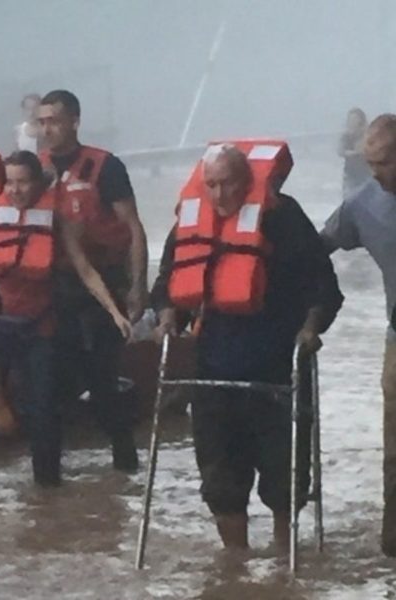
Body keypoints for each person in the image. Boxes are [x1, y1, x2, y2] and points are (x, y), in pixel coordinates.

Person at [153, 143, 343, 551]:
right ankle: (236, 566)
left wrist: (311, 330)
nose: (220, 195)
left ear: (247, 181)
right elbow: (169, 283)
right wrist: (169, 316)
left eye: (229, 184)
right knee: (220, 480)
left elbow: (323, 287)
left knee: (283, 479)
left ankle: (281, 560)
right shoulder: (191, 218)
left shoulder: (283, 216)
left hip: (277, 367)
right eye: (212, 186)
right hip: (213, 371)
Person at [0, 150, 131, 487]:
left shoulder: (58, 217)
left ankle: (47, 489)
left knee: (44, 410)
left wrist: (114, 312)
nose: (17, 190)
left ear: (38, 182)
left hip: (40, 326)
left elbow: (84, 269)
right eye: (10, 182)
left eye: (24, 182)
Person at [37, 89, 149, 476]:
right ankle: (48, 481)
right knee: (51, 385)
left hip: (105, 283)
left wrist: (138, 286)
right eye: (42, 122)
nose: (47, 129)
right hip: (55, 287)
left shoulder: (106, 166)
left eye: (54, 120)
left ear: (74, 121)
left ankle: (125, 464)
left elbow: (133, 227)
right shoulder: (35, 170)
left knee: (103, 380)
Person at [321, 113, 396, 556]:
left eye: (384, 163)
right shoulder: (364, 203)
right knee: (394, 452)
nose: (375, 173)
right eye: (370, 163)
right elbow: (316, 247)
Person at [338, 107, 372, 197]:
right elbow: (340, 151)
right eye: (350, 119)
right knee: (348, 200)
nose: (352, 121)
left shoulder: (367, 134)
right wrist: (353, 153)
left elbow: (367, 150)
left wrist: (353, 152)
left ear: (361, 120)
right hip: (350, 174)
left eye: (355, 119)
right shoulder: (346, 136)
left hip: (365, 175)